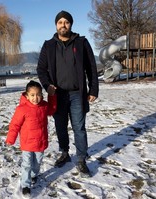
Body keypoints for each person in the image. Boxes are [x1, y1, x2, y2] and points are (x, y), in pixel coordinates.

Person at [37, 10, 99, 177]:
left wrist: (93, 89)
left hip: (77, 94)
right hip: (58, 95)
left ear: (71, 24)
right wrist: (47, 85)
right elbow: (41, 69)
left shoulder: (81, 43)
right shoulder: (48, 45)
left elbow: (91, 68)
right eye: (60, 22)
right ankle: (64, 152)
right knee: (60, 127)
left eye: (66, 22)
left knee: (79, 127)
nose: (63, 25)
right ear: (56, 25)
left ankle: (81, 159)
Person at [5, 80, 57, 196]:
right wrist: (10, 139)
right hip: (27, 143)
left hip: (40, 141)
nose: (35, 98)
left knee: (37, 163)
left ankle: (33, 175)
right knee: (27, 164)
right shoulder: (22, 109)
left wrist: (52, 95)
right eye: (32, 95)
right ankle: (26, 185)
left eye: (38, 94)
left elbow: (52, 109)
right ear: (27, 96)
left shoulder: (44, 106)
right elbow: (15, 125)